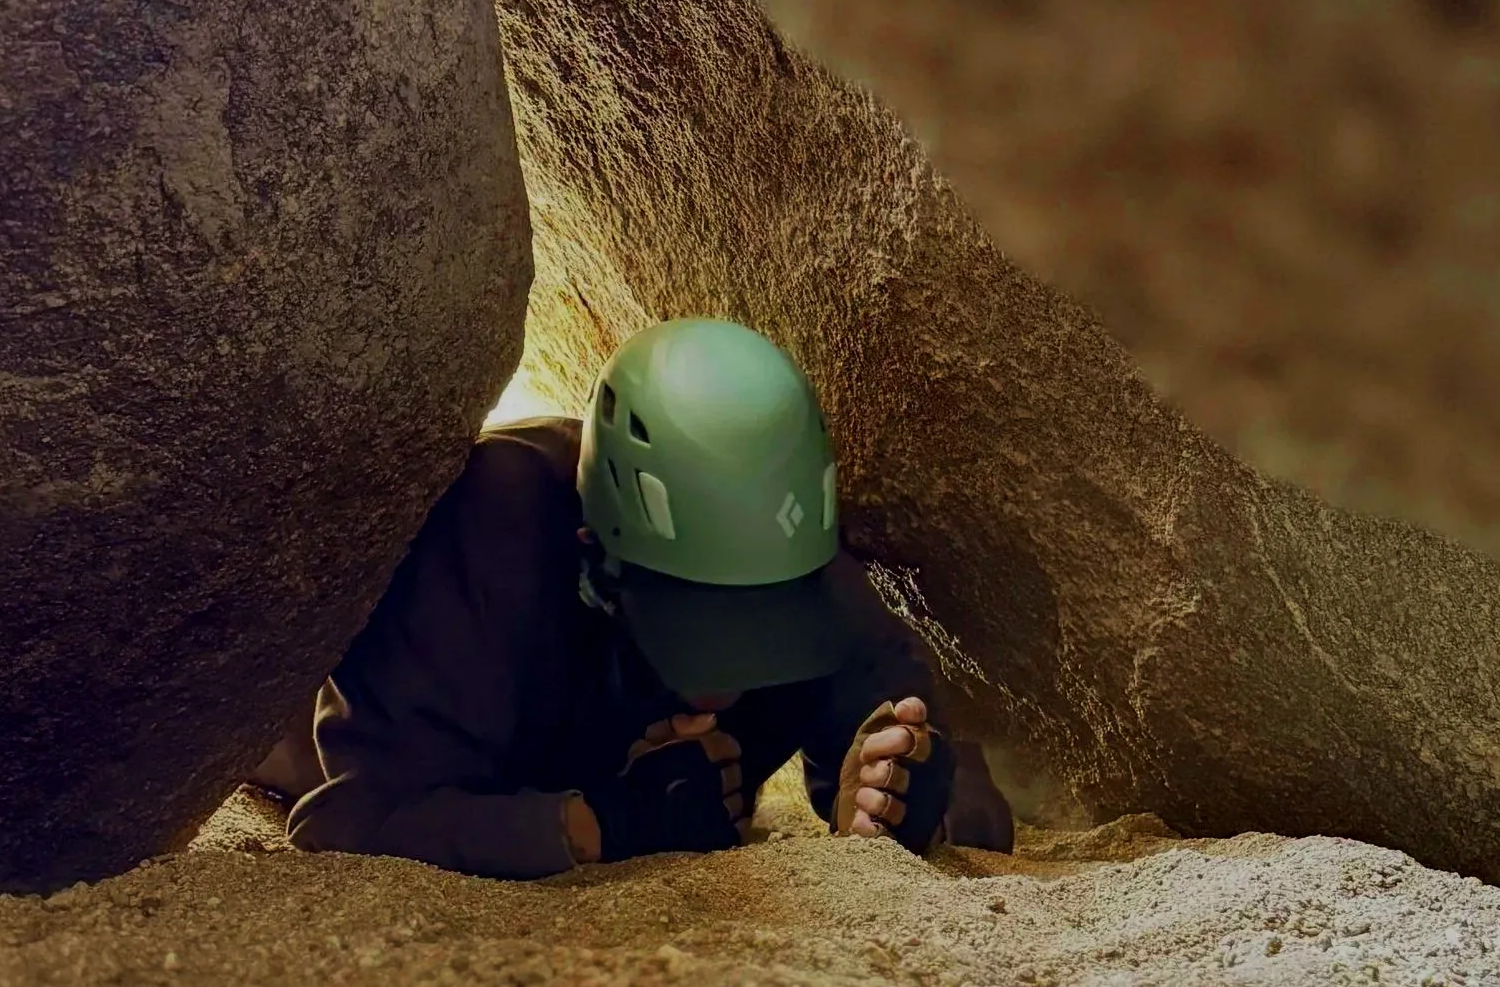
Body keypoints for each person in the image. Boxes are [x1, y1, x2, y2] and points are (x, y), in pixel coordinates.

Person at [275, 318, 1013, 875]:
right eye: (691, 618)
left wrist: (916, 807)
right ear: (595, 554)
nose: (726, 677)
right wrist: (597, 826)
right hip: (310, 734)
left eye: (758, 623)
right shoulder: (485, 540)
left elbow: (938, 769)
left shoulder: (806, 574)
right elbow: (348, 820)